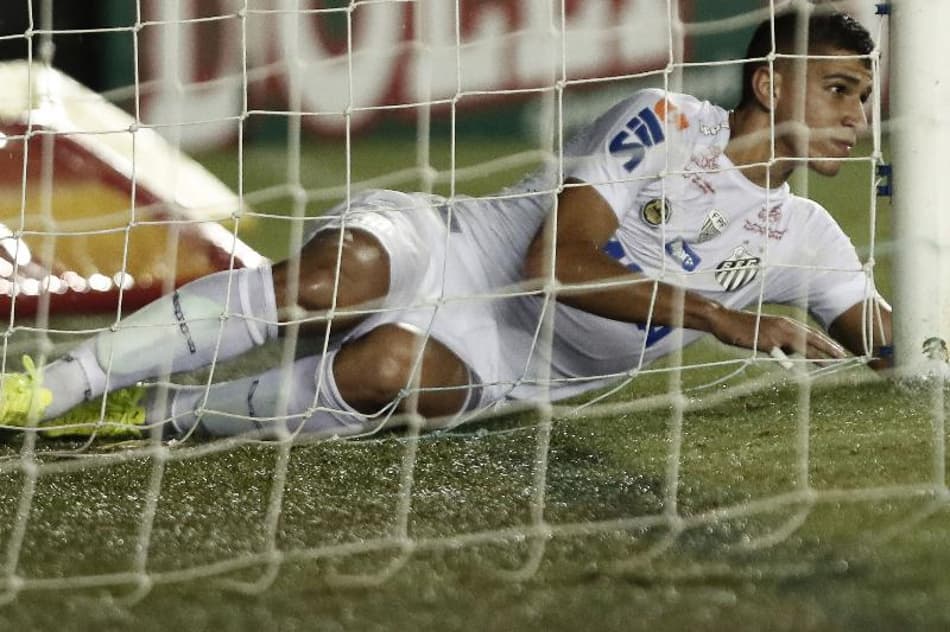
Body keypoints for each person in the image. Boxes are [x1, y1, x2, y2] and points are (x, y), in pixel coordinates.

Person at [0, 7, 890, 440]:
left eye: (864, 98)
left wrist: (917, 329)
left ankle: (165, 414)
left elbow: (889, 340)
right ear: (769, 84)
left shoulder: (807, 236)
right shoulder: (663, 121)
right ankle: (61, 384)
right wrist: (723, 317)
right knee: (329, 281)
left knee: (382, 370)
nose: (857, 117)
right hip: (456, 250)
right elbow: (556, 263)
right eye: (839, 90)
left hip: (509, 361)